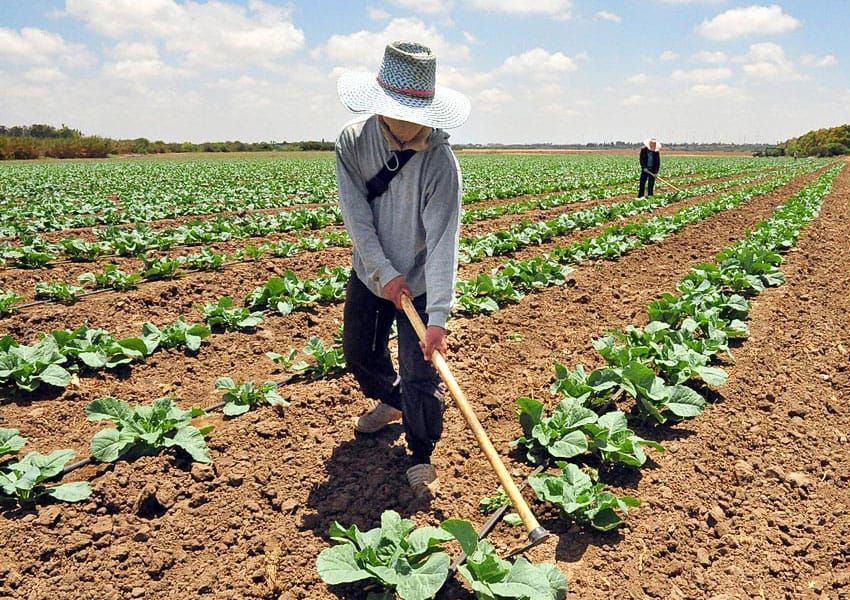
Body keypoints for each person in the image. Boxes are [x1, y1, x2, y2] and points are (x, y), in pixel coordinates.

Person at [334, 41, 471, 500]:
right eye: (398, 111)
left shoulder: (439, 163)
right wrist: (383, 274)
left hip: (421, 281)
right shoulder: (353, 143)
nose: (409, 124)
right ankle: (396, 405)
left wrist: (438, 320)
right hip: (372, 274)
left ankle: (421, 453)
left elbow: (442, 242)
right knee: (359, 356)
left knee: (420, 373)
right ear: (380, 108)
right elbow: (358, 219)